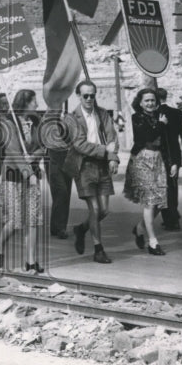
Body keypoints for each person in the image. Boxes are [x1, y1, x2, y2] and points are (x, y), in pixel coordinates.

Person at [64, 80, 119, 264]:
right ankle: (98, 249)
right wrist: (105, 150)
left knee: (104, 210)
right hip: (84, 166)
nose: (89, 99)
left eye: (92, 95)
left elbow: (112, 137)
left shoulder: (103, 114)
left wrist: (112, 157)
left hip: (102, 166)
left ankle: (81, 229)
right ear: (78, 96)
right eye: (85, 95)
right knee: (94, 209)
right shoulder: (71, 118)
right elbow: (79, 144)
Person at [0, 89, 46, 273]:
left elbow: (43, 147)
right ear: (25, 103)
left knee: (32, 218)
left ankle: (31, 261)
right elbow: (13, 152)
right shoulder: (9, 123)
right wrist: (28, 173)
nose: (36, 104)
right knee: (15, 221)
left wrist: (34, 157)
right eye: (33, 101)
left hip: (32, 175)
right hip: (13, 176)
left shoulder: (37, 122)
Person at [123, 88, 170, 256]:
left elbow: (166, 142)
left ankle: (139, 228)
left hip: (158, 160)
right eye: (147, 100)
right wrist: (161, 124)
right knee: (150, 201)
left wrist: (172, 162)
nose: (150, 103)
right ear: (141, 103)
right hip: (142, 160)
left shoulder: (159, 116)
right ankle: (153, 242)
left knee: (160, 202)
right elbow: (146, 137)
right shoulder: (137, 117)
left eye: (152, 100)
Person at [156, 87, 182, 231]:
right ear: (166, 97)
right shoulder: (177, 113)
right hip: (175, 157)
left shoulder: (154, 114)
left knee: (162, 188)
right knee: (172, 187)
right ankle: (172, 217)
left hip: (159, 156)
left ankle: (170, 219)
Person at [41, 108, 72, 239]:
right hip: (52, 159)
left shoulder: (66, 119)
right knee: (61, 191)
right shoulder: (46, 121)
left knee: (66, 193)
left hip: (67, 158)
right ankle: (59, 227)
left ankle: (59, 227)